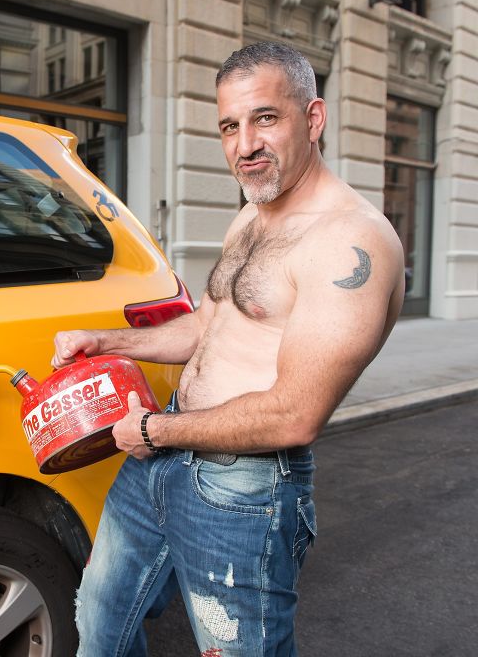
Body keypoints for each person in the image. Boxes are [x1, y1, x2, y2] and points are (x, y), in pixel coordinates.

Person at [53, 41, 405, 657]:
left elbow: (295, 415)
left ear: (313, 118)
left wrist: (158, 430)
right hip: (158, 461)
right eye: (229, 126)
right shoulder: (252, 217)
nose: (245, 146)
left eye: (265, 118)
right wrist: (106, 342)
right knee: (99, 617)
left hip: (241, 489)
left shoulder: (351, 242)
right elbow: (205, 329)